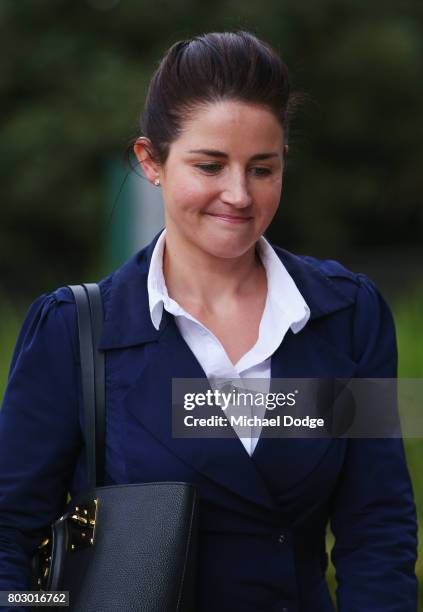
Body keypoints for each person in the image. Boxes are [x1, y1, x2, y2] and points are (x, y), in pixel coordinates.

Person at [0, 30, 418, 612]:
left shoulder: (345, 315)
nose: (238, 194)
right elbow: (7, 537)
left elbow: (377, 524)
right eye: (210, 165)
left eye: (262, 169)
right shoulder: (74, 330)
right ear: (151, 161)